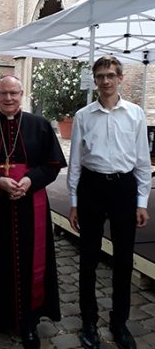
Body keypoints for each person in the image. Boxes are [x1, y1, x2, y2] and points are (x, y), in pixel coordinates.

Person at [0, 74, 67, 349]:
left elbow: (53, 164)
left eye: (14, 93)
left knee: (31, 261)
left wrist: (30, 181)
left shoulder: (40, 126)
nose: (8, 98)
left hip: (31, 206)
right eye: (3, 93)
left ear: (22, 94)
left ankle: (29, 322)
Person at [67, 55, 152, 349]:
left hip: (124, 189)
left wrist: (142, 202)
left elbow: (143, 161)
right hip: (92, 186)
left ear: (120, 78)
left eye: (110, 75)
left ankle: (119, 322)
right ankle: (89, 321)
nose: (105, 81)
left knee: (124, 260)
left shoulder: (136, 115)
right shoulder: (83, 116)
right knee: (88, 259)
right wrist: (75, 202)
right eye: (100, 76)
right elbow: (75, 162)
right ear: (95, 79)